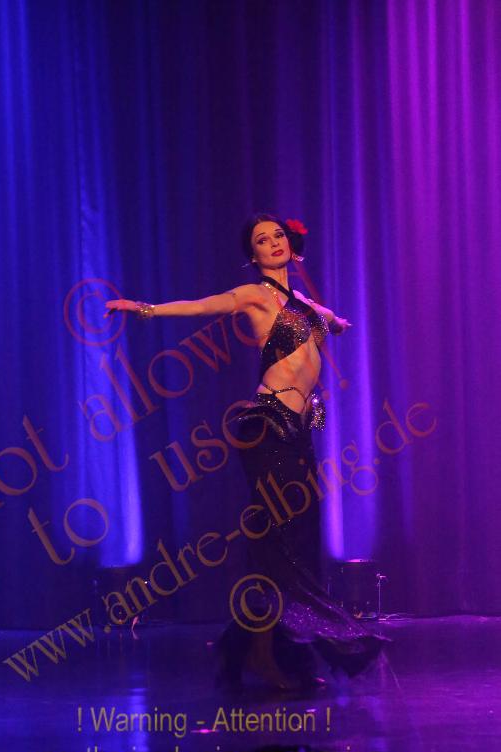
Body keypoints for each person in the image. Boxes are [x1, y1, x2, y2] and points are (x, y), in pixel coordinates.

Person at [104, 212, 389, 693]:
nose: (273, 243)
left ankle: (260, 649)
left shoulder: (302, 303)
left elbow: (327, 320)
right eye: (261, 240)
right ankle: (265, 650)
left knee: (291, 543)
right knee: (279, 544)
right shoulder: (256, 294)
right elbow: (202, 305)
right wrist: (144, 309)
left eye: (278, 235)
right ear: (252, 256)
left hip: (299, 429)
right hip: (267, 425)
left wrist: (337, 322)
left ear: (291, 245)